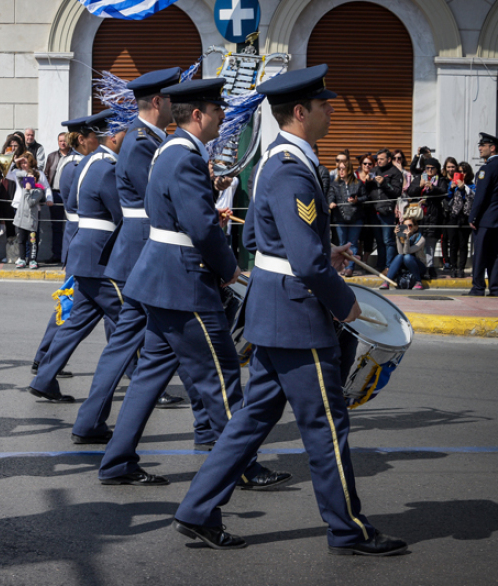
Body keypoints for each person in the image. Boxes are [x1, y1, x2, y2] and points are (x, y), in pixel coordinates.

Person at [170, 65, 406, 557]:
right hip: (298, 315)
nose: (330, 110)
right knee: (325, 424)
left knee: (252, 421)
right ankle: (347, 530)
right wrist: (346, 305)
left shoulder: (276, 162)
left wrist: (322, 249)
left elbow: (260, 240)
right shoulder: (293, 169)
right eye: (324, 105)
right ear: (300, 112)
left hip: (274, 307)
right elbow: (304, 262)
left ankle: (196, 510)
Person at [98, 77, 288, 490]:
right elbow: (201, 227)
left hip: (161, 276)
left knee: (149, 375)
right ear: (198, 115)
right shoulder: (184, 156)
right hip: (183, 281)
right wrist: (229, 269)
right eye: (217, 109)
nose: (224, 116)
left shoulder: (171, 150)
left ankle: (116, 461)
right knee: (222, 377)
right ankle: (243, 465)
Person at [72, 67, 189, 444]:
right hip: (142, 250)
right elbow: (156, 198)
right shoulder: (141, 142)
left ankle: (92, 423)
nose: (177, 106)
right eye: (172, 99)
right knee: (139, 343)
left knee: (133, 344)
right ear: (158, 102)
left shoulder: (146, 138)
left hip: (139, 249)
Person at [28, 110, 126, 402]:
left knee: (76, 323)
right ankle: (149, 383)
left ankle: (45, 377)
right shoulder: (104, 165)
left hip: (86, 251)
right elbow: (121, 214)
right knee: (131, 322)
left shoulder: (87, 164)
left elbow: (73, 204)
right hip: (99, 255)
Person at [29, 116, 95, 378]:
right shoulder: (76, 165)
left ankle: (44, 357)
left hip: (79, 239)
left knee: (72, 304)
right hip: (82, 239)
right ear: (82, 139)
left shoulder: (72, 164)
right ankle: (45, 357)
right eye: (95, 137)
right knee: (69, 304)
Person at [405, 157, 446, 279]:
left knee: (430, 244)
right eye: (427, 168)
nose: (429, 170)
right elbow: (410, 192)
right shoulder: (419, 178)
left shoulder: (441, 180)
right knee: (418, 242)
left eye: (432, 168)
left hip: (433, 216)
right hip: (419, 217)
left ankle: (430, 267)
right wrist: (420, 186)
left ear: (437, 169)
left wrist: (433, 188)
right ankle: (420, 267)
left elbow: (444, 193)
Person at [468, 132, 498, 296]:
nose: (479, 148)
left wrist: (473, 216)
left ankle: (478, 288)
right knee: (494, 255)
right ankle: (495, 288)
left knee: (480, 254)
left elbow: (481, 196)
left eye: (483, 145)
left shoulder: (487, 168)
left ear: (492, 148)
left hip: (485, 219)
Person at [11, 151, 52, 269]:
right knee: (21, 239)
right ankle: (22, 258)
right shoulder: (22, 180)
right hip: (20, 217)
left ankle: (32, 259)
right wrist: (16, 161)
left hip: (32, 219)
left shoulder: (37, 191)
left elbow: (30, 202)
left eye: (30, 179)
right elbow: (15, 174)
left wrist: (28, 189)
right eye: (26, 179)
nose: (27, 181)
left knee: (33, 240)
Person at [327, 159, 366, 277]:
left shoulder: (358, 183)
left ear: (349, 169)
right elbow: (330, 196)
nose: (341, 171)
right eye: (339, 169)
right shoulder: (334, 184)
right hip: (340, 217)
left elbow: (366, 197)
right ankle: (342, 266)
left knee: (353, 243)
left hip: (356, 217)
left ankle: (350, 268)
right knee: (342, 243)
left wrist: (357, 200)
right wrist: (331, 203)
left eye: (343, 168)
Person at [368, 148, 403, 272]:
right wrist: (367, 181)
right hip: (374, 211)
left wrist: (384, 183)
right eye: (377, 159)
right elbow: (368, 188)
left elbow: (397, 192)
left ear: (389, 159)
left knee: (388, 241)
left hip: (386, 211)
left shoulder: (395, 172)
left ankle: (389, 266)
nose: (379, 162)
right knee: (379, 241)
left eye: (381, 159)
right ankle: (380, 265)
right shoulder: (374, 170)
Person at [42, 132, 71, 263]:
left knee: (72, 225)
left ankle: (69, 256)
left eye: (64, 141)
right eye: (60, 141)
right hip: (55, 194)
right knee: (56, 226)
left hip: (70, 195)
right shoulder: (52, 156)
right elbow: (46, 174)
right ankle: (57, 255)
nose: (62, 143)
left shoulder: (75, 156)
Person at [444, 161, 475, 278]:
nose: (462, 174)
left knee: (463, 244)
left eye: (464, 171)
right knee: (452, 244)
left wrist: (463, 188)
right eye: (459, 172)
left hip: (465, 217)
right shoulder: (453, 184)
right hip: (454, 217)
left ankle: (461, 268)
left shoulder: (471, 186)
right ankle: (453, 268)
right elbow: (448, 198)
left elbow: (472, 197)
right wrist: (452, 189)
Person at [380, 218, 425, 290]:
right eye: (404, 226)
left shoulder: (421, 239)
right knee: (399, 256)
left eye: (409, 226)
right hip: (405, 267)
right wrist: (397, 237)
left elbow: (407, 252)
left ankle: (418, 281)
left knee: (407, 257)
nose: (407, 228)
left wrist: (406, 239)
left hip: (418, 267)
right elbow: (401, 252)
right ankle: (387, 282)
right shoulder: (401, 237)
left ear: (415, 227)